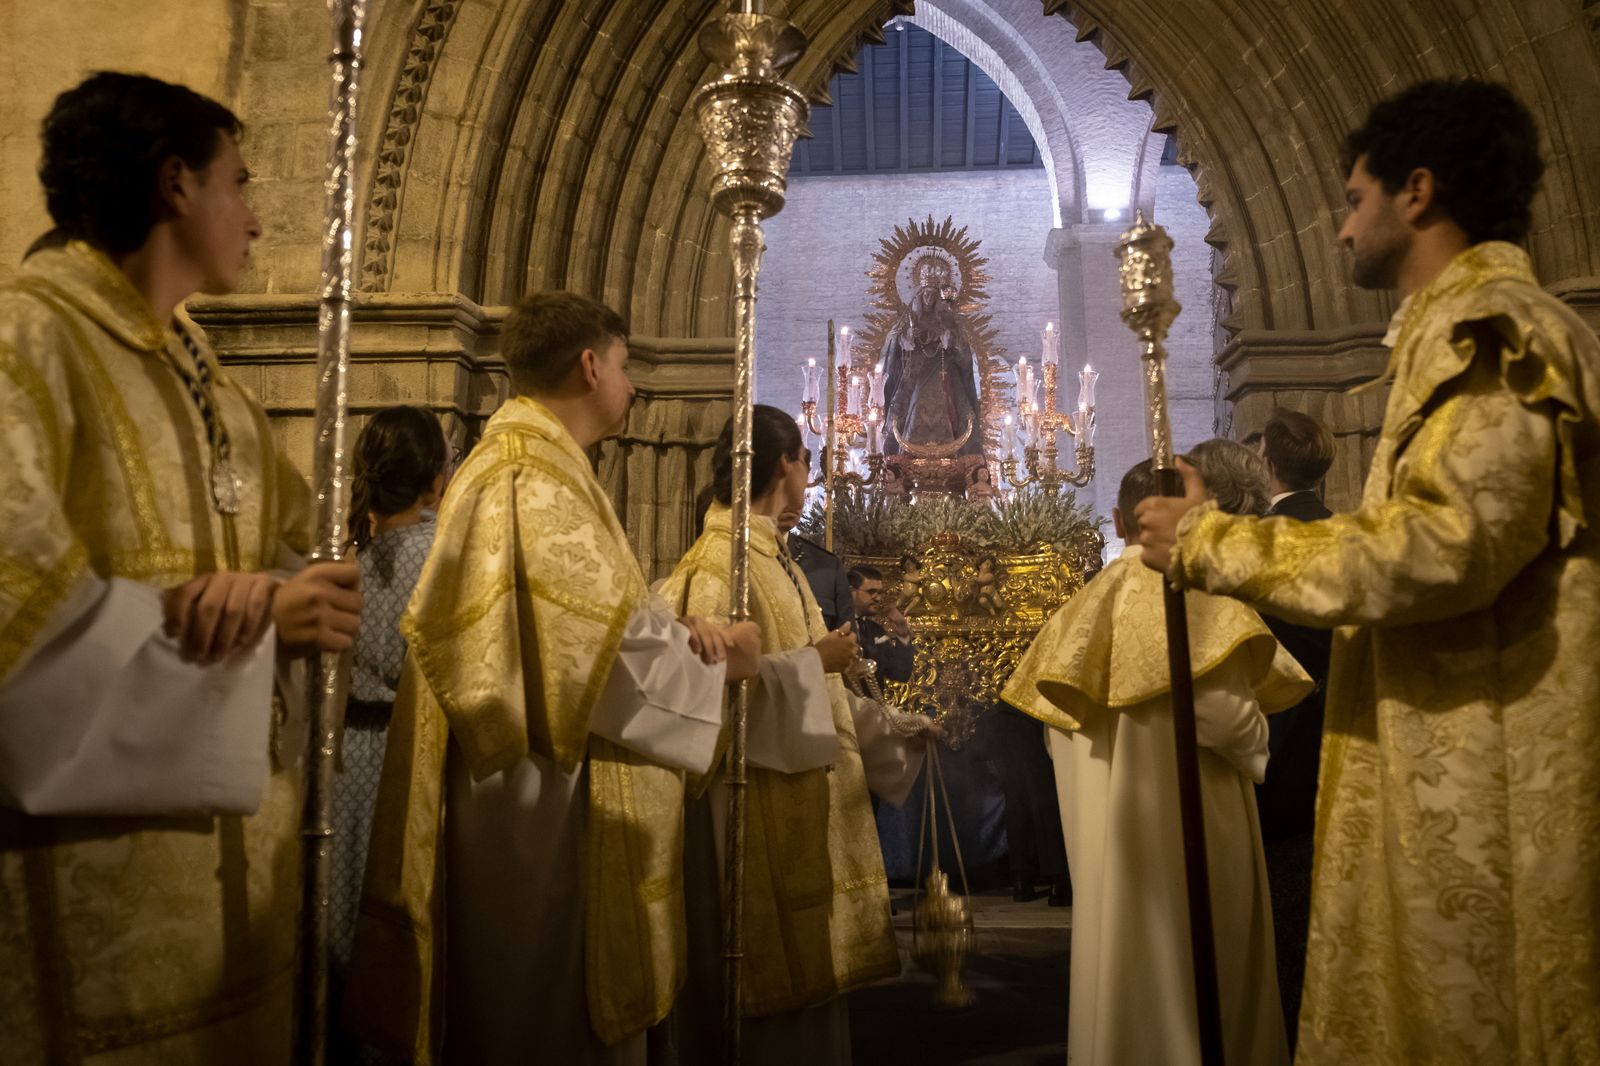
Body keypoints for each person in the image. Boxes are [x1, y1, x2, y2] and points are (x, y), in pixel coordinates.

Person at [1136, 79, 1600, 1063]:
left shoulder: (1495, 334)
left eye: (1354, 200)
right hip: (1443, 752)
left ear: (1416, 192)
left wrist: (1217, 540)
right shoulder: (1453, 331)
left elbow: (1442, 547)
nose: (1342, 232)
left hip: (1488, 781)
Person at [0, 72, 362, 1063]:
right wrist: (250, 631)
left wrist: (309, 591)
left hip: (239, 914)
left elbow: (309, 561)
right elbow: (15, 616)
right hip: (97, 926)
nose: (253, 215)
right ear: (173, 186)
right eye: (237, 183)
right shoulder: (27, 342)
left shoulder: (213, 385)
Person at [344, 291, 761, 1065]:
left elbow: (597, 625)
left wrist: (678, 636)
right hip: (543, 811)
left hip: (539, 793)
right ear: (590, 364)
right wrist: (723, 661)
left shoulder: (532, 468)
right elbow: (599, 666)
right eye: (627, 365)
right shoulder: (531, 481)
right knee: (546, 1025)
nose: (633, 386)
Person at [1005, 456, 1312, 1066]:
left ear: (1117, 518)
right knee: (1203, 987)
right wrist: (1258, 748)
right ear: (1197, 516)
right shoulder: (1195, 598)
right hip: (1193, 833)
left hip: (1109, 850)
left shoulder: (1076, 614)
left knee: (1121, 979)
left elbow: (1056, 734)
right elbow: (1223, 718)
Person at [660, 404, 937, 1065]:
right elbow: (711, 695)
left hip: (798, 791)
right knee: (765, 1006)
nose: (809, 477)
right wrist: (816, 661)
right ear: (785, 465)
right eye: (807, 462)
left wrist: (889, 727)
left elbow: (808, 678)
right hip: (749, 805)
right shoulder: (721, 563)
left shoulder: (775, 558)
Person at [328, 405, 451, 1060]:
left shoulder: (349, 553)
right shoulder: (444, 559)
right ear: (437, 479)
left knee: (342, 929)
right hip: (409, 759)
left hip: (343, 759)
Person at [1252, 408, 1335, 1051]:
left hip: (1280, 721)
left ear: (1266, 463)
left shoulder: (1261, 541)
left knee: (1279, 877)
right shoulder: (1339, 529)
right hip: (1336, 716)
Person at [848, 564, 915, 684]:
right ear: (851, 591)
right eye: (871, 592)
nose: (878, 599)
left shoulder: (876, 630)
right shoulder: (834, 626)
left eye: (880, 593)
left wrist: (903, 634)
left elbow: (901, 673)